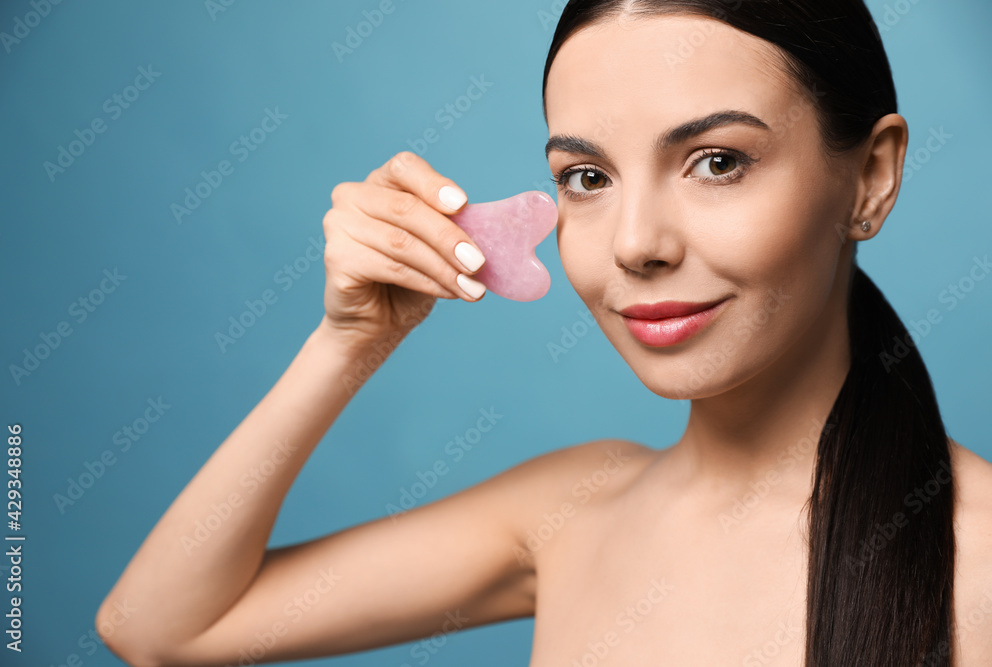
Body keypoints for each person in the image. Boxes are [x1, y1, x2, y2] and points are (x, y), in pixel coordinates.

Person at [96, 1, 992, 665]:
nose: (636, 244)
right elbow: (161, 624)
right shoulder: (568, 512)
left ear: (870, 176)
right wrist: (347, 344)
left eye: (717, 162)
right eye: (587, 177)